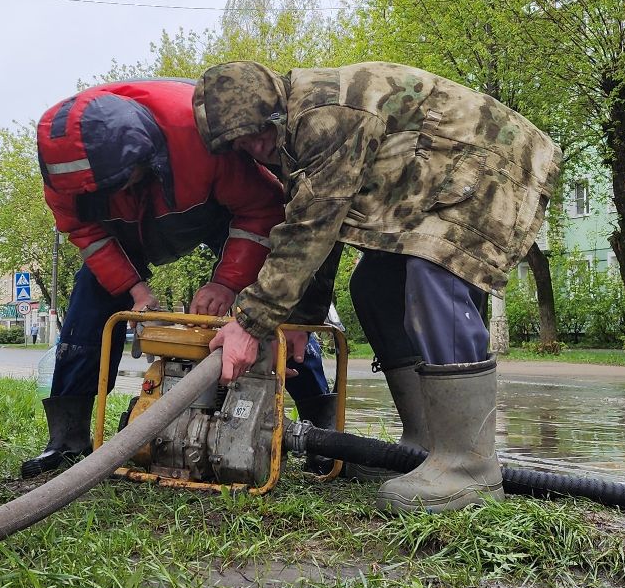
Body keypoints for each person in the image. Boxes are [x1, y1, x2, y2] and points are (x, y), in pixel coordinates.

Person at [195, 61, 560, 514]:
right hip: (432, 175)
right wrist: (302, 320)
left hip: (492, 158)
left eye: (255, 132)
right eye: (239, 144)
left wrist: (250, 324)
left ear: (274, 108)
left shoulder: (320, 115)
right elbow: (320, 227)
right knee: (374, 284)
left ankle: (469, 467)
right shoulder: (291, 134)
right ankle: (425, 446)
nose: (253, 147)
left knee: (434, 267)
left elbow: (311, 230)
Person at [23, 78, 336, 479]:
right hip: (125, 231)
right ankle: (66, 439)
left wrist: (226, 283)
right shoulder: (63, 170)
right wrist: (135, 290)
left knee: (271, 298)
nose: (117, 192)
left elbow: (263, 208)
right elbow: (85, 233)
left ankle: (321, 428)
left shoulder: (197, 132)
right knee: (89, 303)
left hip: (213, 209)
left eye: (121, 182)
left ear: (145, 153)